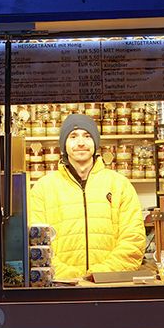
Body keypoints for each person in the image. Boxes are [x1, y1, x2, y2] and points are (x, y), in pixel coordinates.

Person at [27, 113, 146, 280]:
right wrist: (69, 276)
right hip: (61, 287)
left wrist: (99, 275)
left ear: (95, 143)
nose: (81, 143)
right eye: (73, 136)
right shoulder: (43, 188)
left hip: (109, 285)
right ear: (64, 144)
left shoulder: (120, 185)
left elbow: (133, 240)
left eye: (87, 136)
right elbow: (35, 243)